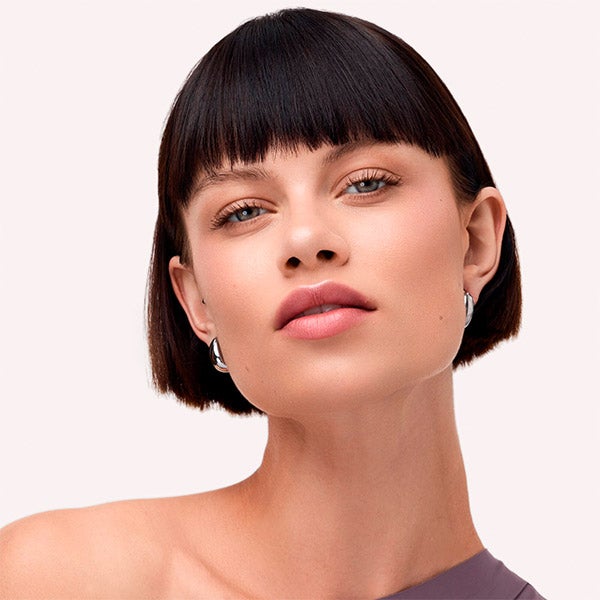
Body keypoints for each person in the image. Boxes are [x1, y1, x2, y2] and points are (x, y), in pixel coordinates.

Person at [0, 8, 546, 599]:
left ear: (476, 241)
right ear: (196, 300)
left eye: (365, 183)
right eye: (243, 212)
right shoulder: (59, 579)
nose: (306, 240)